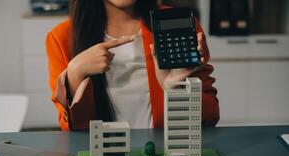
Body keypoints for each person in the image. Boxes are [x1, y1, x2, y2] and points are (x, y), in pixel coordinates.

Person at [46, 0, 219, 131]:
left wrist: (179, 91)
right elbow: (72, 130)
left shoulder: (178, 22)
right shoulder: (61, 37)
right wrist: (75, 73)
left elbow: (210, 116)